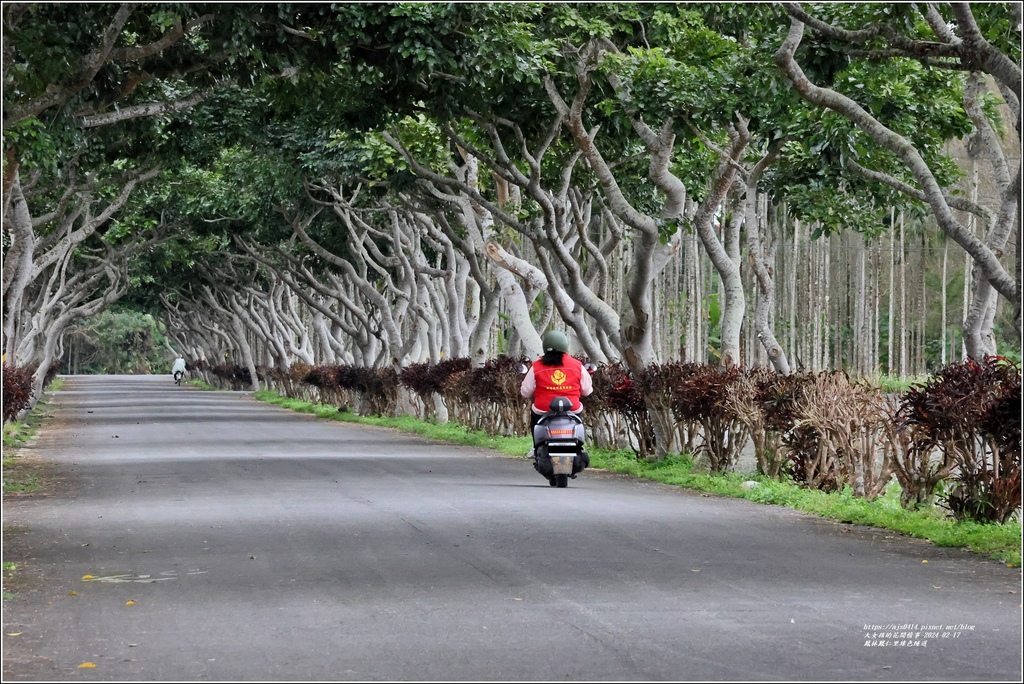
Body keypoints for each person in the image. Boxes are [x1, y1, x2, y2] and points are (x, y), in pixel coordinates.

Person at [520, 330, 593, 434]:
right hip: (572, 410)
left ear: (545, 346)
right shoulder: (577, 366)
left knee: (535, 414)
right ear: (565, 346)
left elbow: (525, 392)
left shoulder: (536, 367)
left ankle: (537, 446)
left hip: (543, 411)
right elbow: (587, 391)